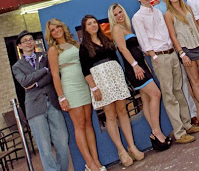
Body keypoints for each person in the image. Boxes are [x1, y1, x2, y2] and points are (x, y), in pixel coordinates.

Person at [132, 0, 199, 144]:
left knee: (179, 90)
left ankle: (187, 124)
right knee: (169, 94)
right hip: (159, 56)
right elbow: (143, 39)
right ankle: (179, 133)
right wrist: (153, 56)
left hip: (171, 52)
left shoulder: (157, 11)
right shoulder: (138, 17)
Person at [79, 15, 144, 167]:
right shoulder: (84, 47)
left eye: (94, 22)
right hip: (100, 81)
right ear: (85, 28)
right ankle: (121, 150)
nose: (93, 25)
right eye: (89, 24)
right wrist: (94, 87)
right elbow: (85, 70)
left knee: (122, 111)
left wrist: (122, 78)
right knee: (110, 115)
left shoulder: (106, 40)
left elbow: (115, 59)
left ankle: (131, 146)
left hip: (115, 76)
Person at [109, 3, 171, 152]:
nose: (119, 16)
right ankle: (156, 132)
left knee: (146, 99)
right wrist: (135, 65)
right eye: (115, 14)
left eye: (120, 12)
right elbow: (123, 49)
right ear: (112, 18)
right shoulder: (117, 29)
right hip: (134, 68)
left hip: (141, 66)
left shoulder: (127, 28)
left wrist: (144, 65)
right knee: (156, 94)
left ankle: (156, 133)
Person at [46, 19, 105, 171]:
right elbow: (54, 75)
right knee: (79, 126)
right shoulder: (53, 50)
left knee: (89, 123)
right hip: (70, 87)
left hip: (84, 84)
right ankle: (89, 164)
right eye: (53, 30)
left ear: (62, 27)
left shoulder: (74, 44)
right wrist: (61, 97)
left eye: (58, 27)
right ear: (50, 34)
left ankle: (96, 161)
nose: (57, 30)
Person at [12, 30, 69, 171]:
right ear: (19, 46)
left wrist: (36, 83)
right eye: (25, 41)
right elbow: (24, 82)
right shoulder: (17, 66)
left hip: (53, 103)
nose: (28, 42)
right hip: (35, 108)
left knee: (62, 141)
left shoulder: (45, 56)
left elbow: (53, 75)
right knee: (44, 147)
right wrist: (43, 70)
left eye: (30, 39)